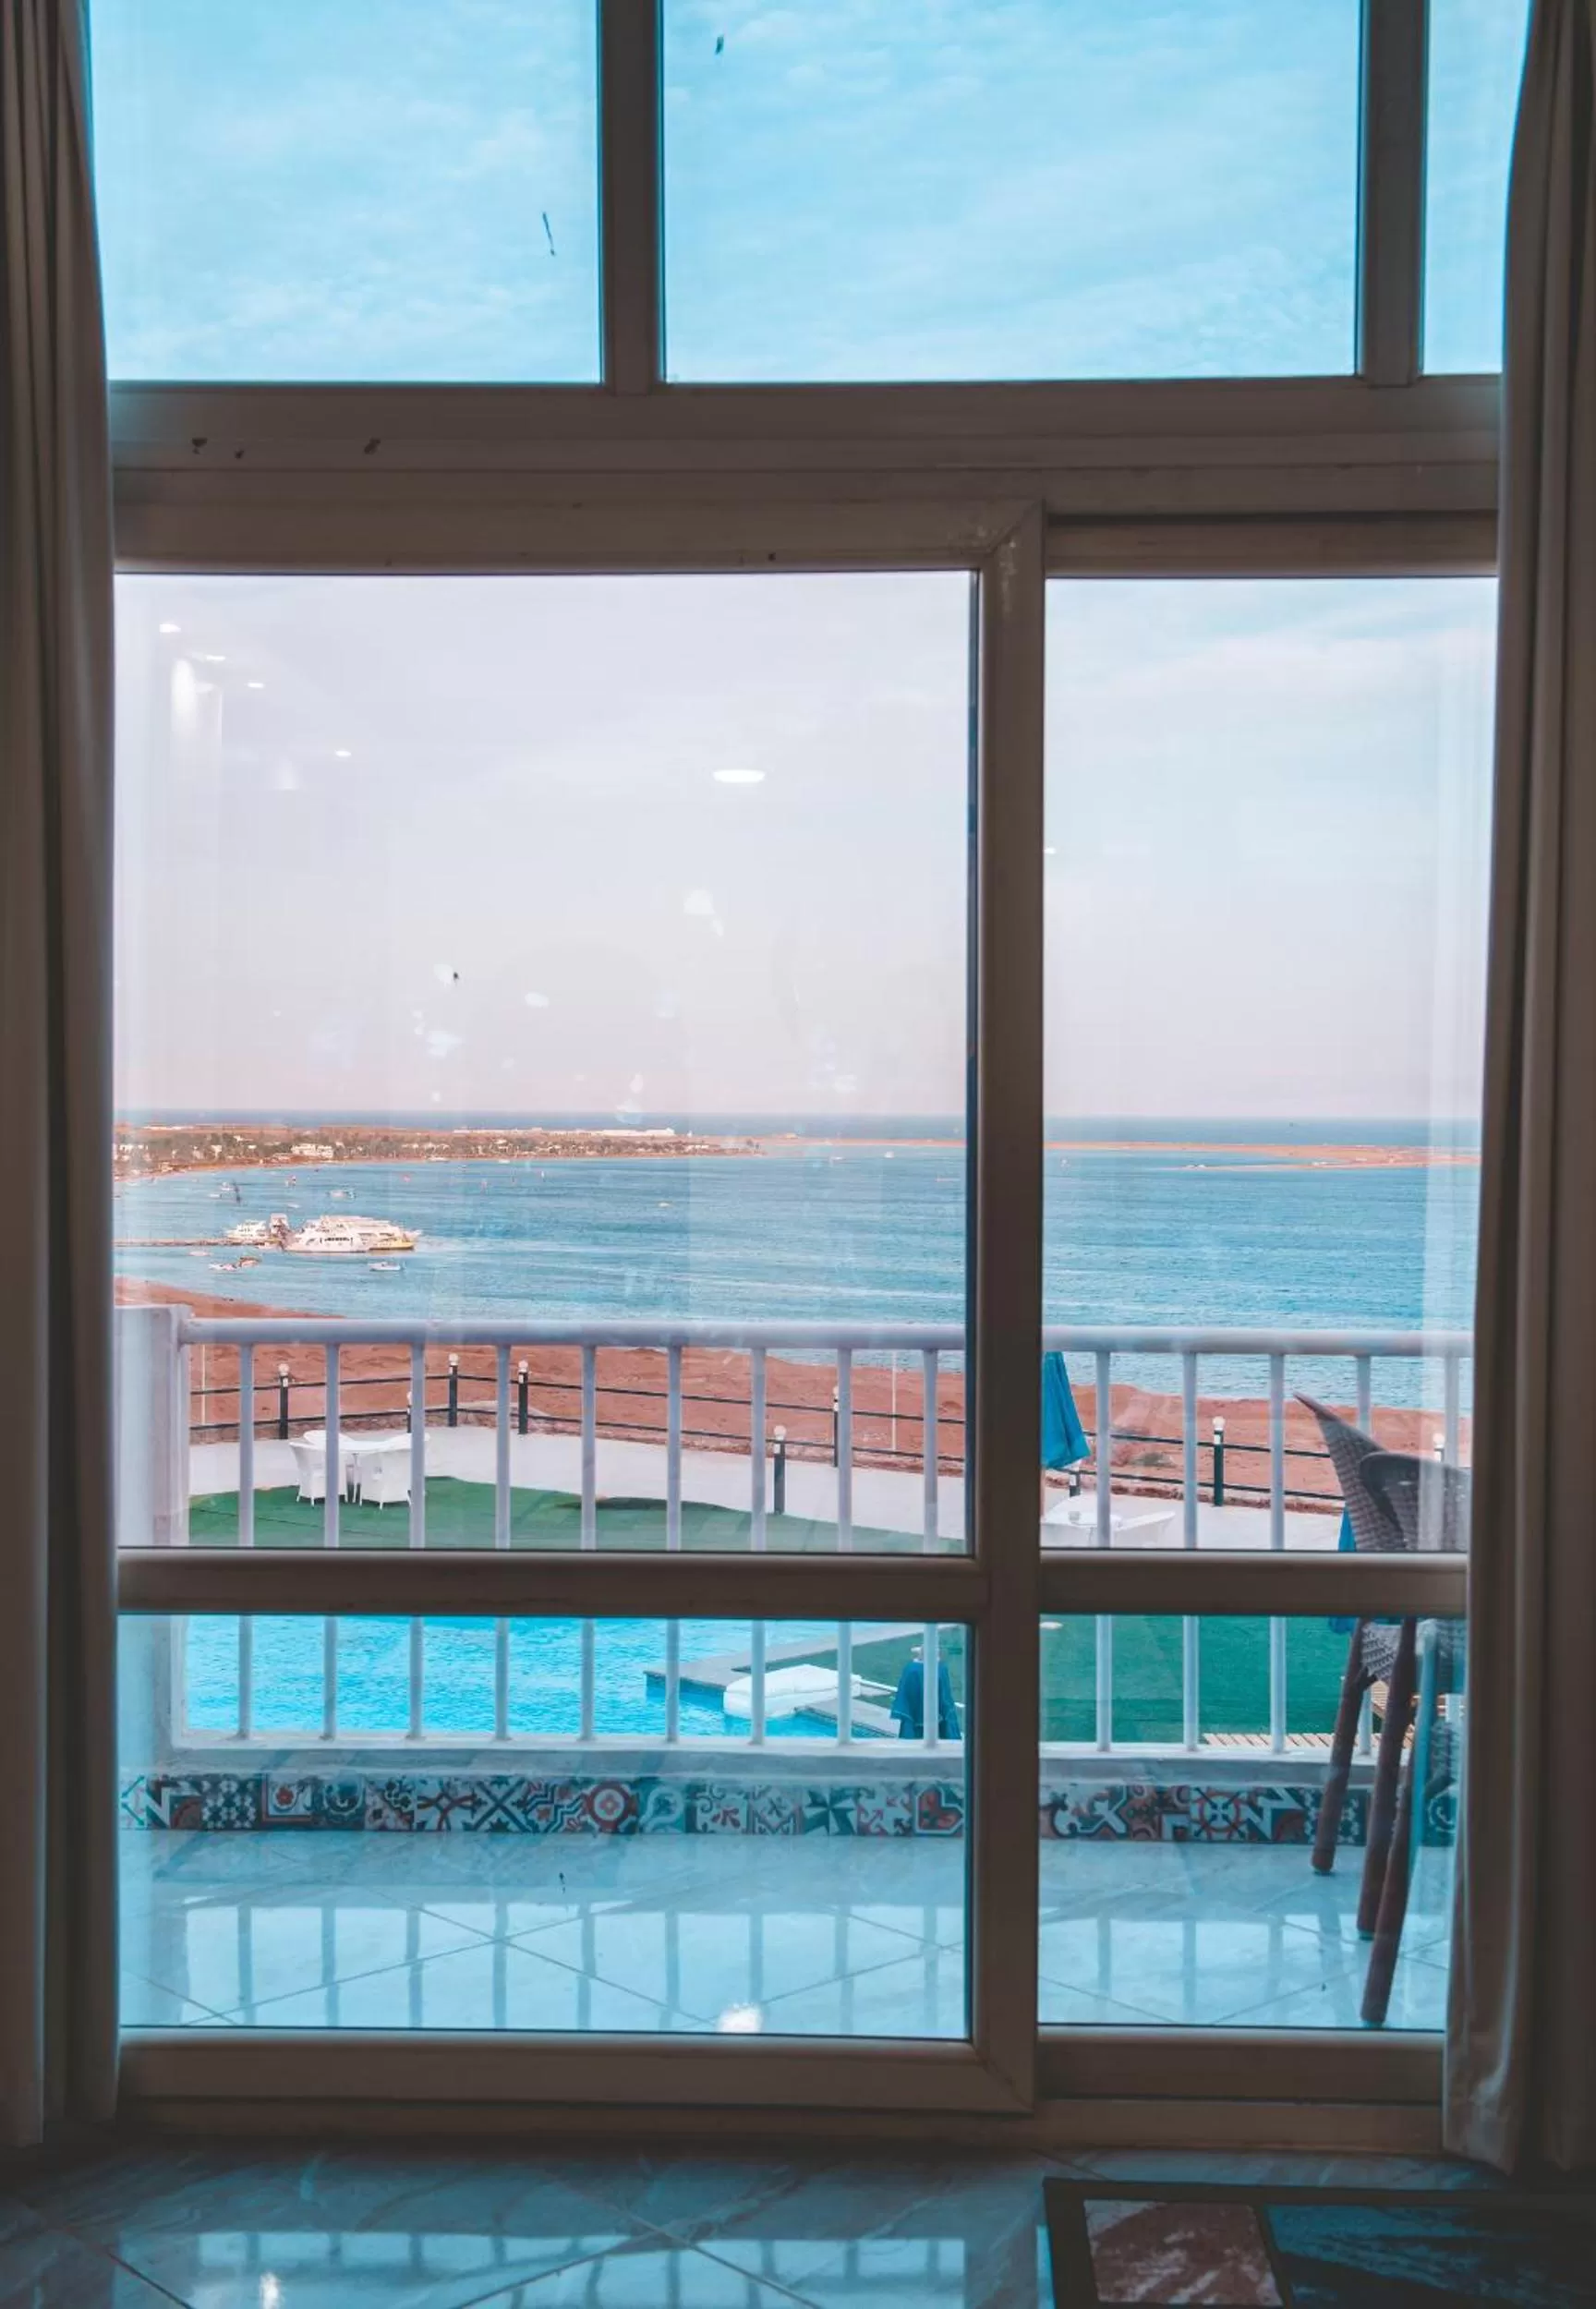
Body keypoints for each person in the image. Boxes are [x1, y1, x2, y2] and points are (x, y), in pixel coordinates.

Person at [890, 1640, 961, 1739]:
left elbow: (905, 1691)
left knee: (912, 1738)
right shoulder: (940, 1668)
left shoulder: (911, 1669)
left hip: (913, 1714)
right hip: (937, 1714)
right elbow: (945, 1695)